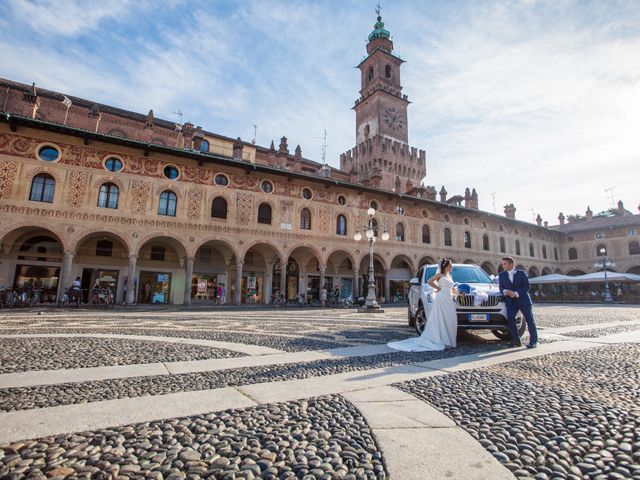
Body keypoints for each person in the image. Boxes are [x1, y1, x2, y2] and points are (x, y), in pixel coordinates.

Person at [388, 258, 458, 352]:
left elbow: (452, 289)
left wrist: (460, 293)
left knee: (450, 319)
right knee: (441, 319)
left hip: (449, 299)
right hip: (441, 298)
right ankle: (443, 341)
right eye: (450, 265)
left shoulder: (450, 276)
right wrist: (438, 288)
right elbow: (429, 281)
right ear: (446, 266)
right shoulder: (439, 275)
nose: (452, 266)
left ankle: (449, 340)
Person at [498, 256, 538, 348]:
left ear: (511, 264)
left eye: (505, 264)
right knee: (511, 320)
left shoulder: (521, 273)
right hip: (511, 302)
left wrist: (515, 293)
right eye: (502, 264)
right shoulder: (502, 275)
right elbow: (501, 288)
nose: (503, 265)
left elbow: (527, 287)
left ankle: (533, 341)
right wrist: (505, 291)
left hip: (523, 300)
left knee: (529, 320)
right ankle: (516, 340)